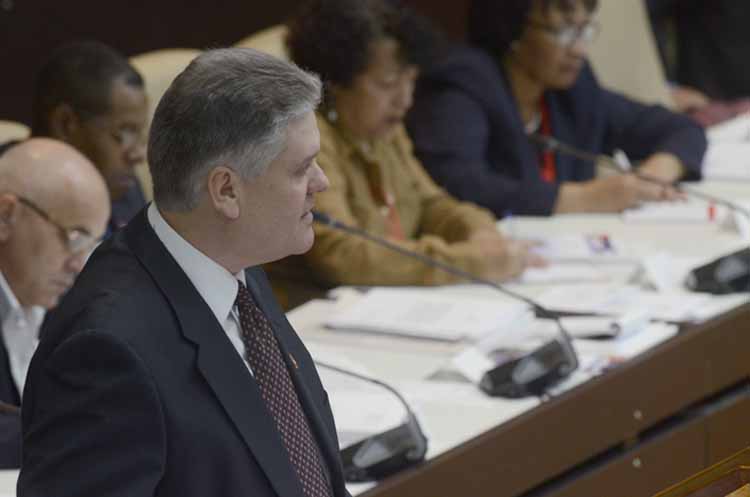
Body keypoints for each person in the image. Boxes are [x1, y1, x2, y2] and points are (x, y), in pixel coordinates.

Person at [19, 48, 351, 497]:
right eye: (301, 168)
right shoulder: (105, 351)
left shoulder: (236, 264)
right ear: (226, 190)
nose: (321, 182)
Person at [268, 0, 540, 309]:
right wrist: (469, 263)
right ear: (334, 83)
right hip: (314, 313)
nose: (405, 100)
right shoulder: (308, 141)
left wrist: (481, 231)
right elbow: (341, 254)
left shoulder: (383, 130)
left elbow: (432, 204)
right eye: (388, 84)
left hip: (384, 306)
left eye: (411, 81)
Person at [406, 0, 707, 217]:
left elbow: (678, 127)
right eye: (563, 33)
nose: (579, 50)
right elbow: (457, 184)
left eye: (583, 31)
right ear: (514, 30)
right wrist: (585, 198)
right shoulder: (462, 86)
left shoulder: (573, 90)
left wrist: (654, 174)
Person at [0, 138, 110, 468]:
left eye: (90, 246)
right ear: (5, 215)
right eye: (74, 237)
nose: (78, 264)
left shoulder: (65, 310)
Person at [28, 41, 149, 234]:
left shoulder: (123, 188)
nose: (138, 155)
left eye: (139, 134)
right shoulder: (17, 208)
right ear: (66, 124)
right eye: (124, 133)